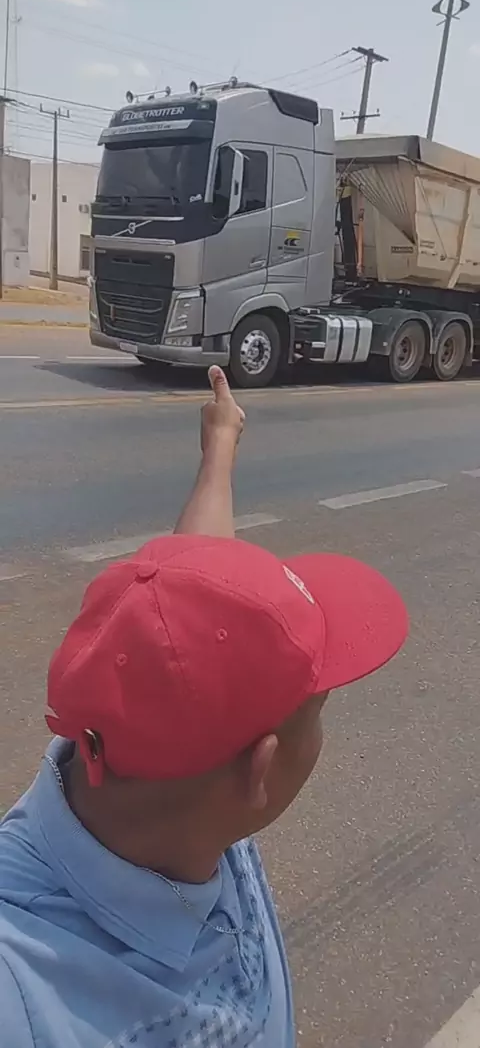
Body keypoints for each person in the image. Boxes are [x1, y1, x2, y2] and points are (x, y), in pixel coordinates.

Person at [0, 367, 408, 1048]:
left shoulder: (150, 775)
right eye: (317, 713)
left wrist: (220, 445)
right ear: (259, 769)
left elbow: (193, 608)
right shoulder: (24, 991)